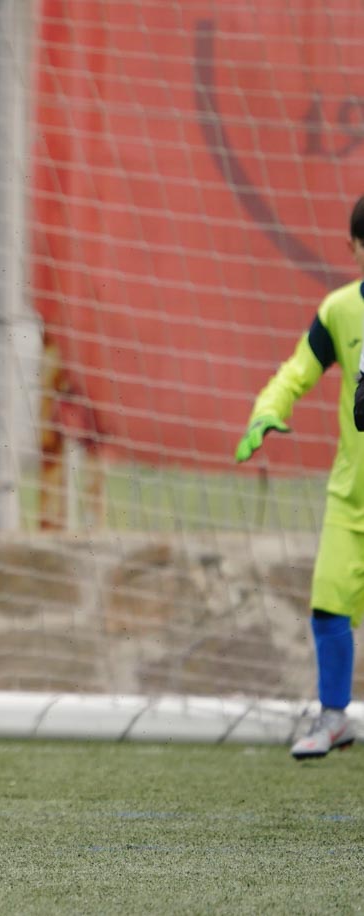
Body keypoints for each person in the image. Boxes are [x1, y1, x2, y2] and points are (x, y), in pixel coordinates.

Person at [235, 194, 364, 760]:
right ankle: (334, 717)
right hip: (351, 498)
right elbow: (298, 370)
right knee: (328, 604)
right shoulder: (339, 310)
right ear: (354, 247)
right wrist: (268, 406)